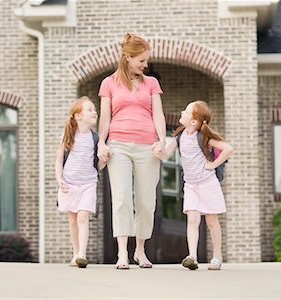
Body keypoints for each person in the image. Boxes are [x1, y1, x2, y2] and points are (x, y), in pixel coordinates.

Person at [97, 33, 166, 269]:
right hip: (119, 146)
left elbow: (157, 113)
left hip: (148, 146)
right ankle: (122, 253)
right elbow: (105, 117)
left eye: (146, 61)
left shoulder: (151, 84)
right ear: (127, 57)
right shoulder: (108, 83)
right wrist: (101, 143)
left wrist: (162, 140)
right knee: (122, 198)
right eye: (141, 60)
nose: (145, 65)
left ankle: (140, 251)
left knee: (146, 201)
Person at [154, 100, 233, 271]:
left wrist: (212, 165)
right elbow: (165, 154)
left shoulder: (203, 137)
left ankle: (217, 256)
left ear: (194, 121)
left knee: (211, 220)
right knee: (192, 218)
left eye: (186, 111)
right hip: (190, 185)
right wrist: (158, 150)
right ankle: (192, 256)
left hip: (207, 184)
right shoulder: (179, 137)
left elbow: (227, 148)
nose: (182, 112)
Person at [55, 96, 106, 268]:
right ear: (78, 116)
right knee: (72, 220)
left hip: (88, 184)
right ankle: (75, 253)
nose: (94, 112)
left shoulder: (95, 138)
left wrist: (103, 161)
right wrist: (59, 178)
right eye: (89, 109)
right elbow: (59, 159)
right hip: (69, 184)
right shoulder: (68, 135)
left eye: (94, 109)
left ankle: (82, 255)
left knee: (83, 216)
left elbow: (97, 166)